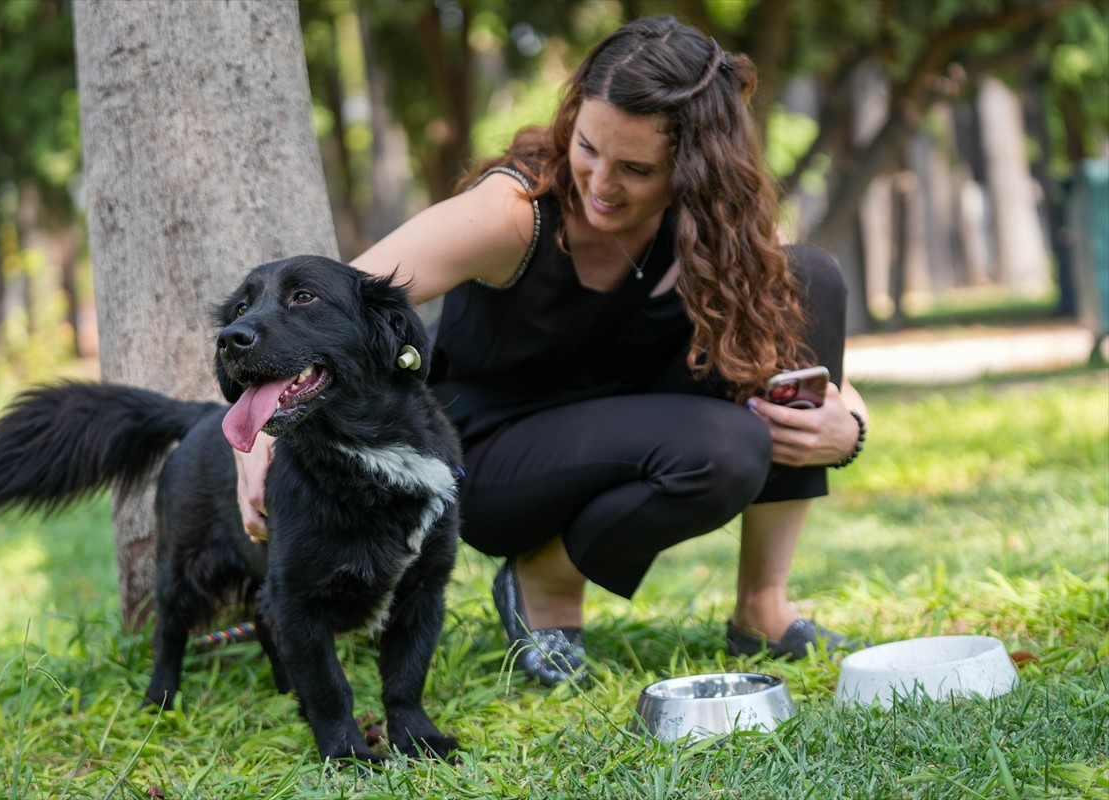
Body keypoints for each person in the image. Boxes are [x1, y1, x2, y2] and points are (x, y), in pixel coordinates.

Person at [236, 15, 869, 685]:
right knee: (730, 448)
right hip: (488, 458)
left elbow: (794, 358)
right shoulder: (512, 211)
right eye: (588, 147)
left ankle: (762, 607)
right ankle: (545, 583)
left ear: (695, 171)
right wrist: (257, 434)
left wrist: (849, 426)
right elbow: (336, 303)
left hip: (630, 430)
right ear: (573, 118)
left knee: (806, 277)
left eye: (636, 169)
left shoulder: (711, 228)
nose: (601, 183)